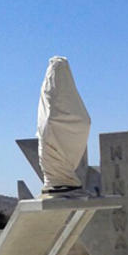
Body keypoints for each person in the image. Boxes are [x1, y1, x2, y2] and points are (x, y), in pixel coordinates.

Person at [37, 56, 91, 197]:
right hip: (50, 145)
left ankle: (62, 180)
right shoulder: (49, 91)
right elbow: (49, 117)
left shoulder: (66, 96)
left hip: (57, 142)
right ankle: (58, 180)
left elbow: (83, 121)